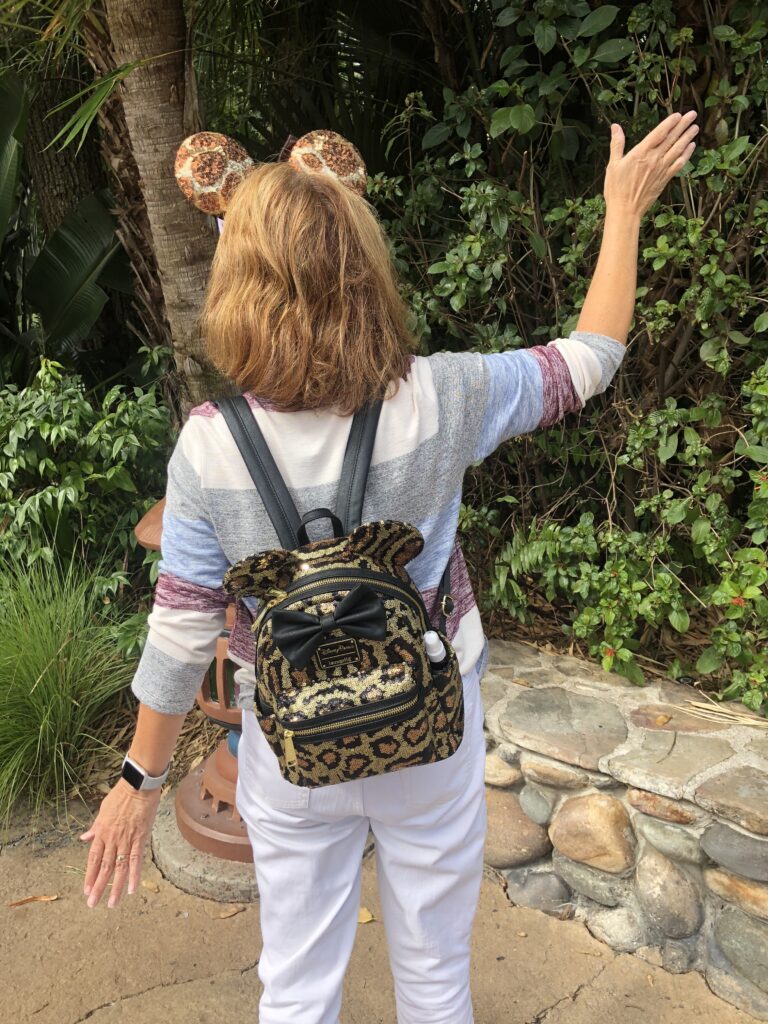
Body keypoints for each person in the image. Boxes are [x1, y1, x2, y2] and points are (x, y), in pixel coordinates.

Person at [79, 111, 699, 1023]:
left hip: (289, 753)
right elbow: (591, 360)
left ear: (235, 281)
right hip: (430, 734)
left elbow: (180, 629)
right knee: (438, 979)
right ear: (364, 265)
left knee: (294, 986)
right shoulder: (443, 394)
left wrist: (140, 778)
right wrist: (622, 212)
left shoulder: (209, 448)